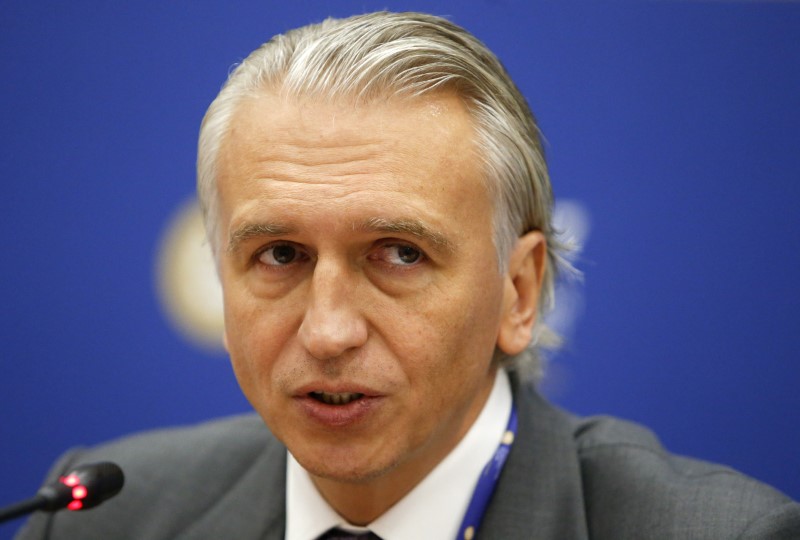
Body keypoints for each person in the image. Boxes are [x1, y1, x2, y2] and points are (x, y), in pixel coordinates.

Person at [16, 11, 800, 540]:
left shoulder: (720, 532)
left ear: (518, 291)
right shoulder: (100, 518)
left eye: (399, 254)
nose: (327, 332)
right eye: (280, 255)